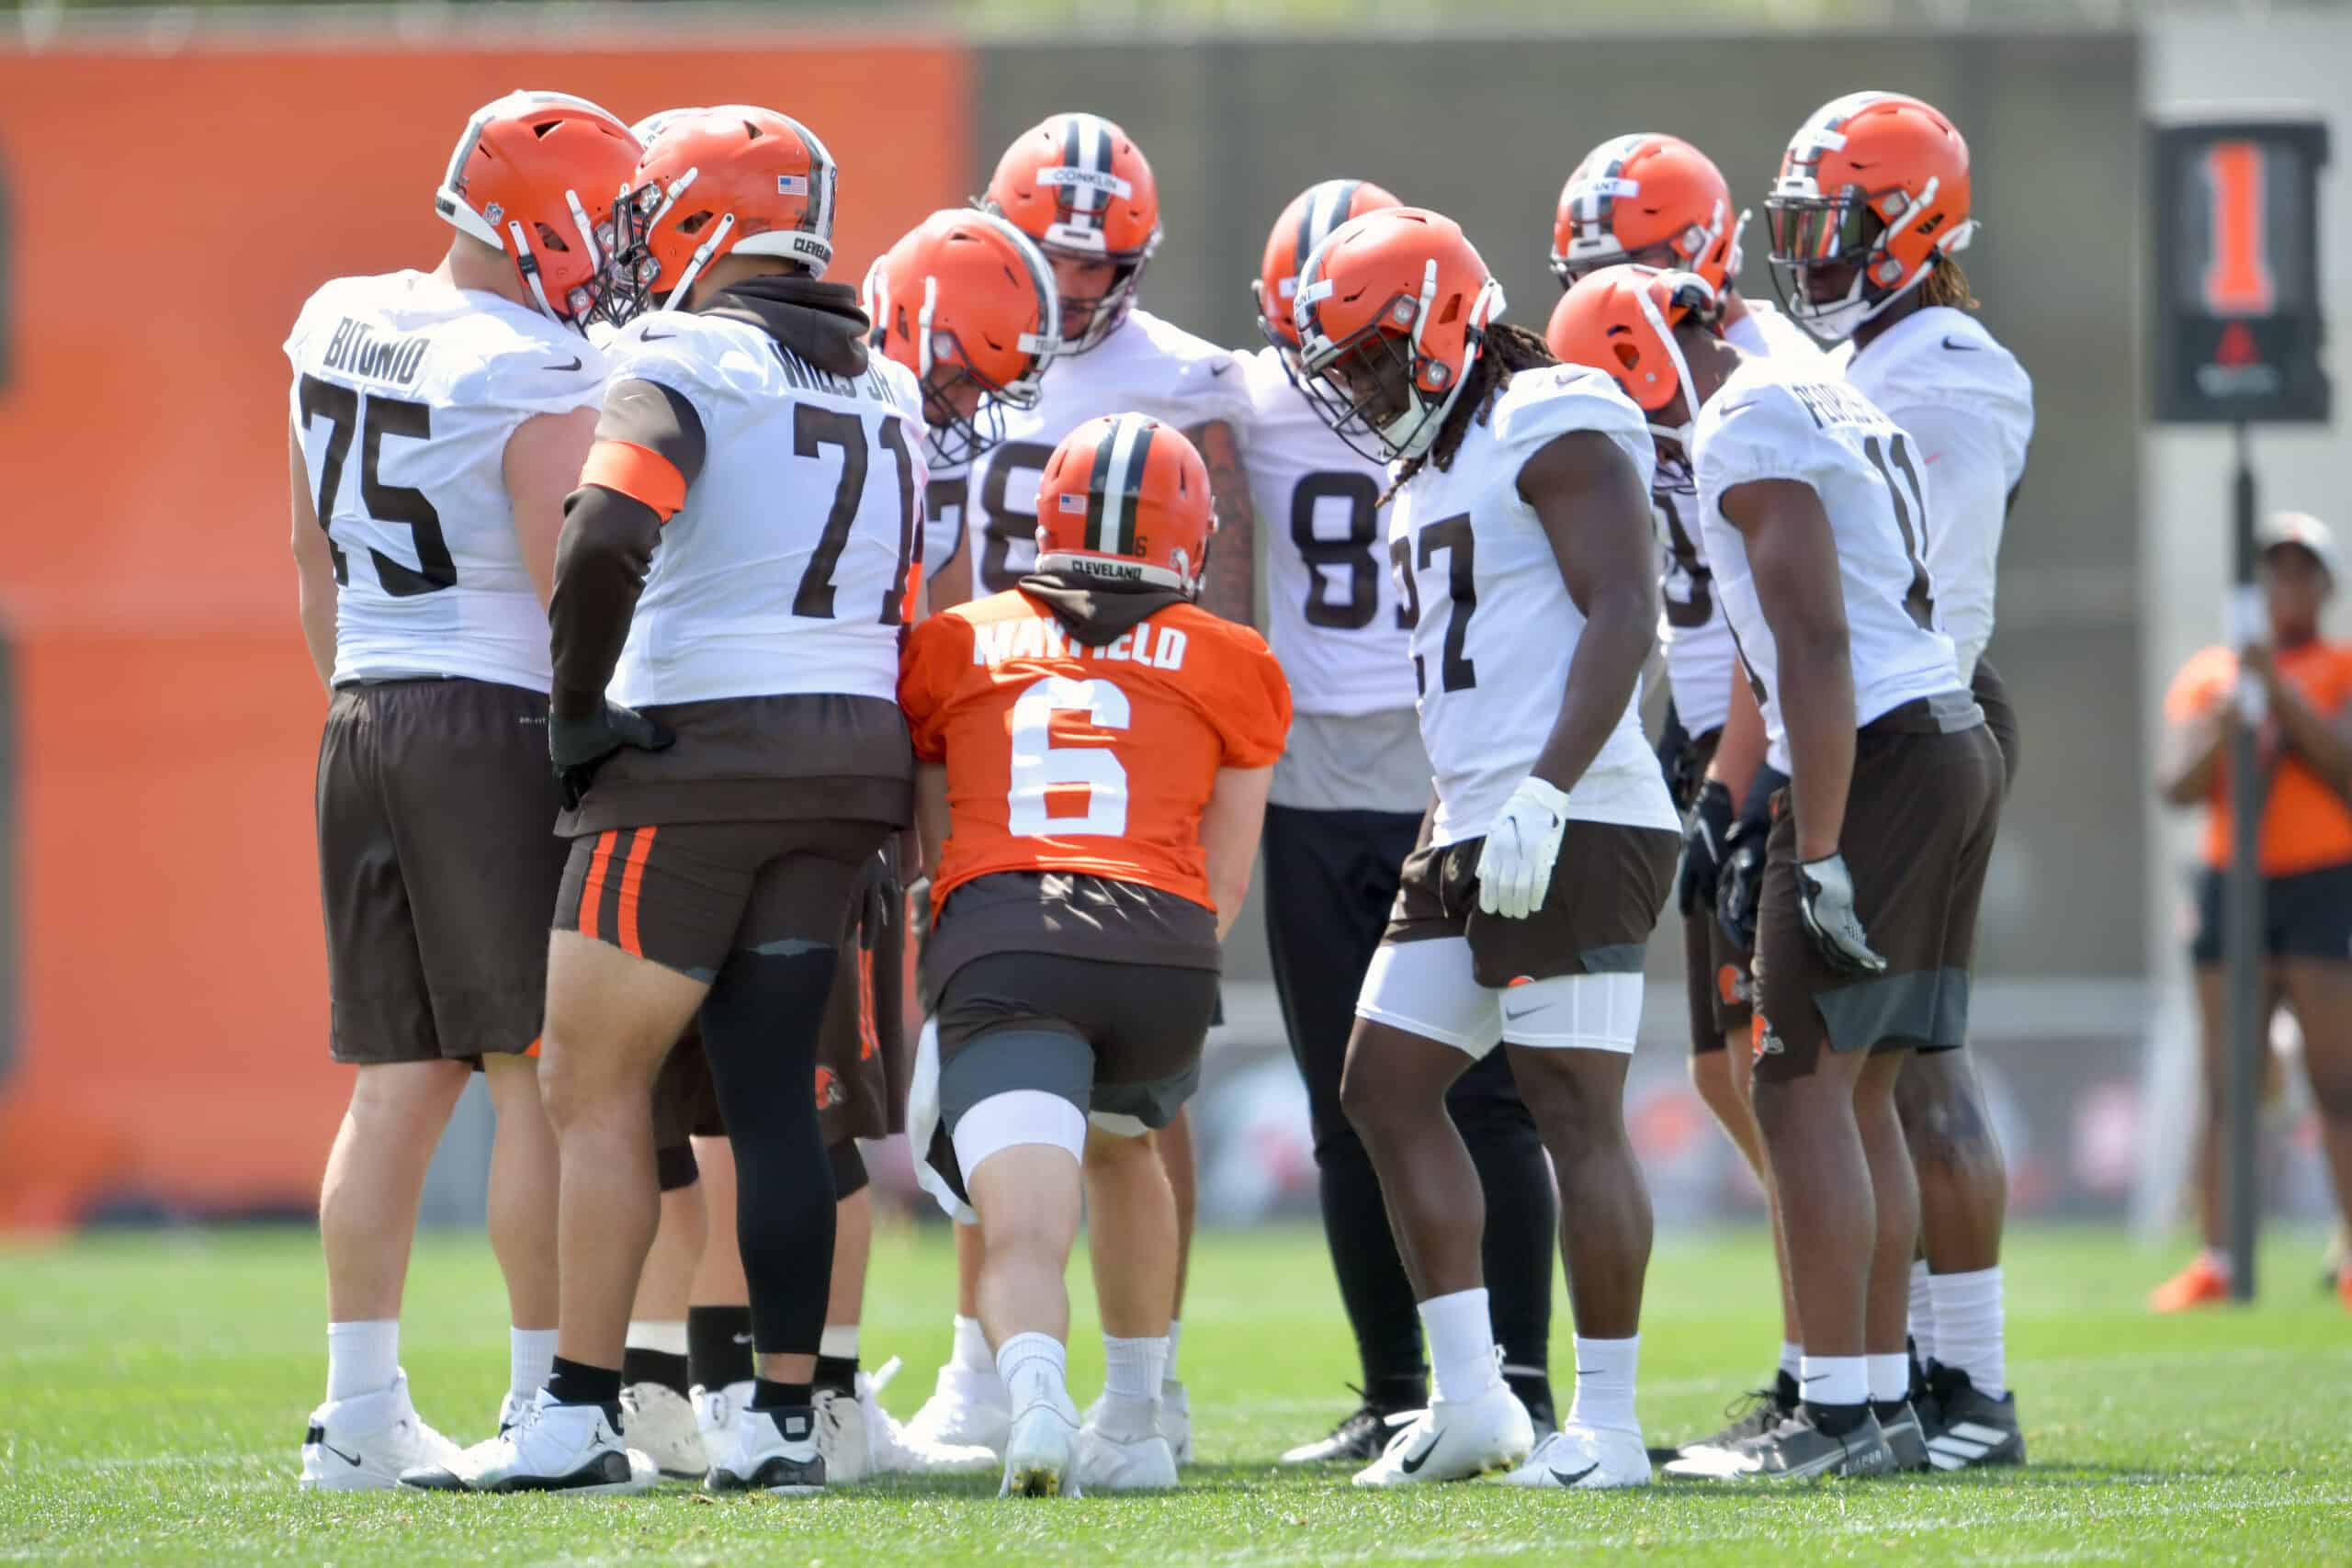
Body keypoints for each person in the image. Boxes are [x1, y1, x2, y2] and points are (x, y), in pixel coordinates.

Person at [403, 105, 922, 1496]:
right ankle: (780, 1421)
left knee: (592, 1084)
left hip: (700, 759)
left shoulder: (685, 358)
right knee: (775, 1100)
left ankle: (575, 1410)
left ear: (703, 220)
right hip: (852, 759)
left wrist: (576, 712)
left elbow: (606, 530)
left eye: (651, 212)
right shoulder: (890, 382)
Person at [1553, 263, 2001, 1482]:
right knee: (1853, 1091)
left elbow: (1812, 635)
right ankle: (1882, 1400)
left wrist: (1818, 845)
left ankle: (1838, 1412)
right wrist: (1723, 796)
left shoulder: (1740, 417)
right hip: (1934, 733)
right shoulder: (1794, 386)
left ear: (1638, 359)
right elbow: (1783, 634)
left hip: (1883, 752)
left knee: (1796, 1083)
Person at [1289, 207, 1679, 1489]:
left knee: (1574, 1109)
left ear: (1441, 324)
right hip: (1468, 814)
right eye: (1339, 366)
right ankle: (1475, 1399)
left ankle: (1609, 1423)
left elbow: (1625, 606)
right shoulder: (1431, 467)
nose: (1355, 388)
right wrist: (1476, 801)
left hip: (1581, 807)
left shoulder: (1552, 410)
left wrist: (1550, 791)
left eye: (1368, 358)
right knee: (1383, 1086)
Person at [286, 89, 641, 1490]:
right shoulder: (525, 365)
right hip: (488, 715)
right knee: (533, 1078)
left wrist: (359, 698)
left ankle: (358, 1410)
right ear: (530, 216)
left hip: (364, 706)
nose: (613, 250)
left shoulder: (333, 316)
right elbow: (568, 583)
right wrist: (594, 730)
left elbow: (310, 558)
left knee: (393, 1083)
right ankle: (543, 1397)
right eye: (602, 220)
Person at [907, 111, 1258, 1467]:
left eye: (1099, 264)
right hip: (987, 706)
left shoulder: (1185, 379)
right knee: (1003, 1086)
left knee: (1105, 1098)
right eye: (1051, 258)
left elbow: (1217, 599)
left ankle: (1136, 1385)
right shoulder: (938, 323)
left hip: (1105, 735)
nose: (1073, 287)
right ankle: (985, 1370)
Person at [899, 413, 1290, 1495]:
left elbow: (935, 849)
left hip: (1007, 934)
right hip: (1160, 944)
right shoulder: (1233, 658)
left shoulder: (956, 640)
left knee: (1021, 1227)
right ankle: (1132, 1421)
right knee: (1125, 1148)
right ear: (1190, 535)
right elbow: (1227, 871)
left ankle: (1032, 1403)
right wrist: (1163, 956)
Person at [1244, 178, 1558, 1462]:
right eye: (1321, 340)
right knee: (1351, 1098)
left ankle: (1520, 1376)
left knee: (1495, 1097)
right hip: (1322, 776)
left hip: (1456, 770)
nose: (1344, 373)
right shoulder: (1246, 395)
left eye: (1364, 341)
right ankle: (1399, 1384)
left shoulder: (1511, 410)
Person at [1761, 89, 2034, 1468]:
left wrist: (1869, 743)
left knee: (1902, 1068)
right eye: (1800, 224)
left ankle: (1966, 1384)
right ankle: (1881, 1365)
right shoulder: (1879, 350)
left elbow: (1948, 596)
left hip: (1910, 717)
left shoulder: (1944, 367)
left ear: (1915, 224)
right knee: (1861, 1071)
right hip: (1877, 718)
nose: (1811, 253)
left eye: (1840, 223)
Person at [1545, 133, 1823, 1461]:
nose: (1619, 293)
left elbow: (1784, 614)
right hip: (1704, 705)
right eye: (1597, 269)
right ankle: (1824, 1343)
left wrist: (1735, 771)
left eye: (1640, 263)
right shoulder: (1636, 366)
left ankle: (1855, 1352)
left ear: (1704, 259)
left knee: (1794, 1070)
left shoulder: (1761, 377)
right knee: (1726, 1071)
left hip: (1772, 716)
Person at [2154, 512, 2352, 1315]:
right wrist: (2236, 710)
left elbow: (2343, 763)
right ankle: (2220, 1257)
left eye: (2303, 571)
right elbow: (2178, 784)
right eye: (2275, 570)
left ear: (2325, 587)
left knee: (2337, 1080)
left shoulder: (2340, 667)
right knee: (2226, 1085)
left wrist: (2277, 690)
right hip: (2232, 884)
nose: (2288, 586)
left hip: (2320, 882)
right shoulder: (2211, 673)